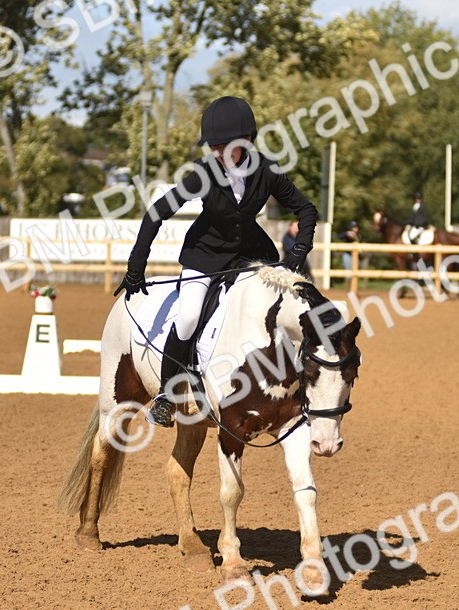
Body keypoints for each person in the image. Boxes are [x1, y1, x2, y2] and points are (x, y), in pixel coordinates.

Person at [123, 96, 318, 428]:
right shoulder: (203, 172)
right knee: (187, 318)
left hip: (252, 257)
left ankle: (294, 384)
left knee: (287, 308)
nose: (215, 152)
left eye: (222, 145)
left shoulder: (266, 170)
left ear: (246, 142)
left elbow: (306, 209)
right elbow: (157, 212)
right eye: (212, 145)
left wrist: (299, 253)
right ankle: (168, 397)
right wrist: (135, 266)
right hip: (206, 256)